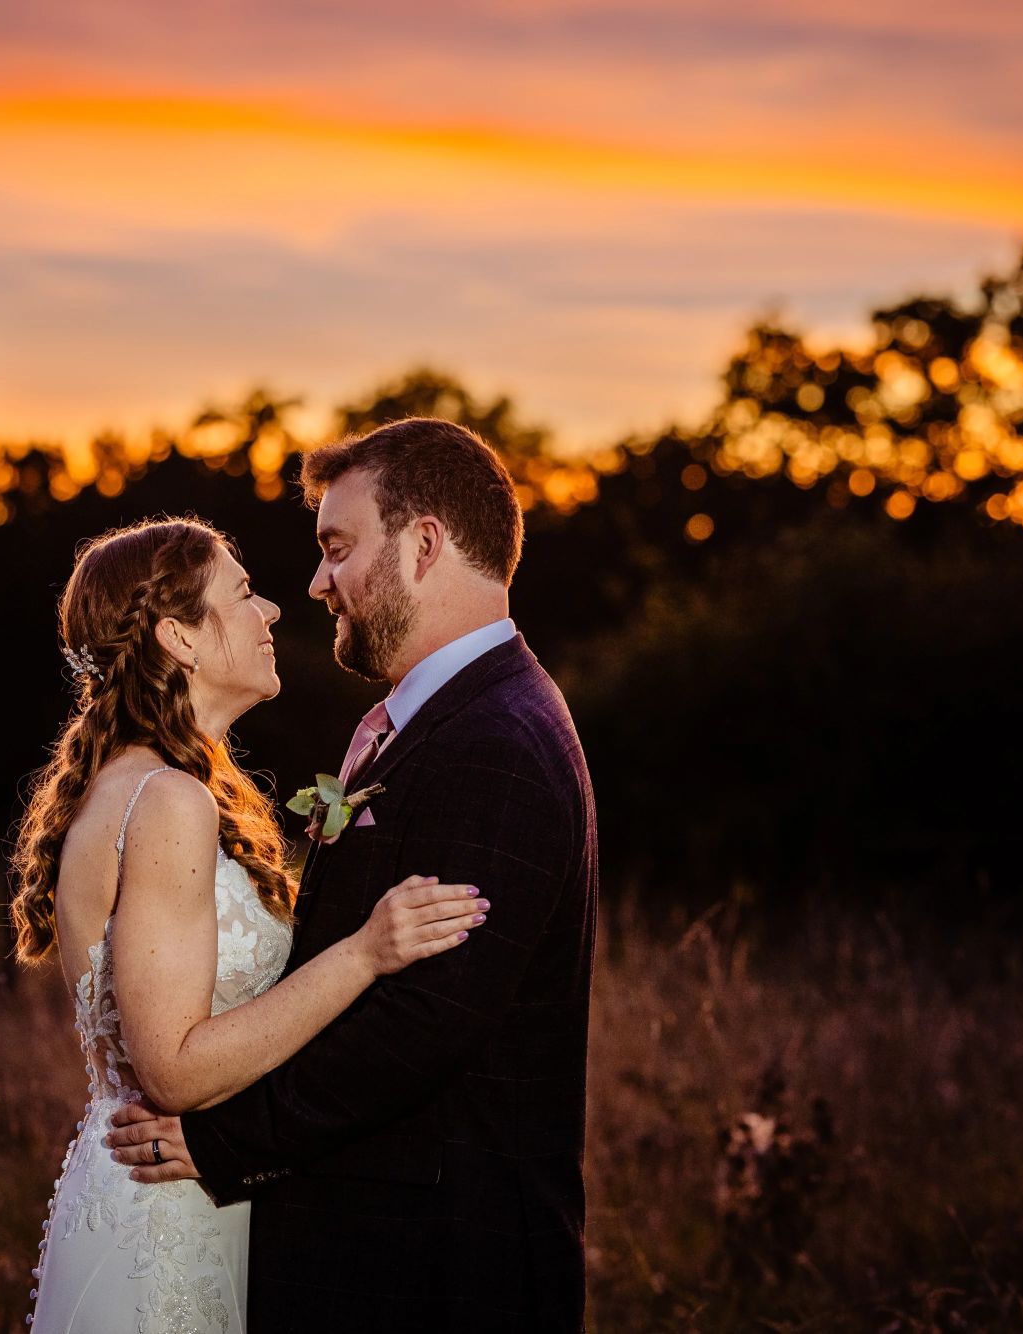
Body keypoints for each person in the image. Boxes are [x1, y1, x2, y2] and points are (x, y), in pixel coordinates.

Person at [107, 418, 600, 1331]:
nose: (316, 583)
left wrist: (220, 1143)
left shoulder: (497, 742)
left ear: (423, 545)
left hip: (436, 1269)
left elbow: (425, 1026)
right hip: (378, 1251)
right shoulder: (438, 721)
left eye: (337, 548)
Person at [11, 516, 487, 1333]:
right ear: (179, 638)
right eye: (242, 593)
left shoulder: (135, 787)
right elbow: (173, 1071)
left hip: (169, 1196)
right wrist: (367, 953)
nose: (270, 610)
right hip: (169, 1222)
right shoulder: (166, 801)